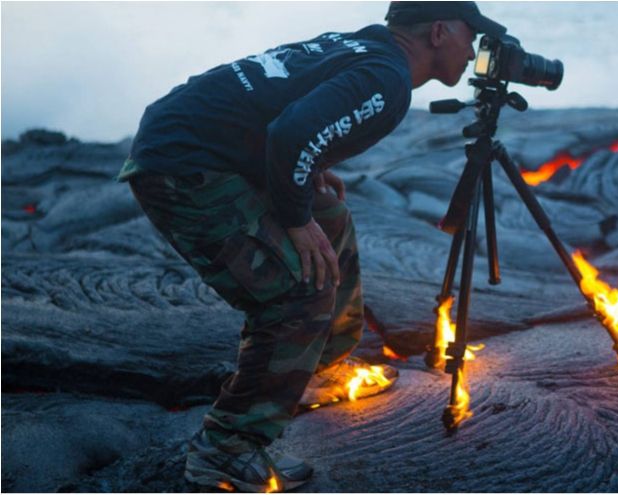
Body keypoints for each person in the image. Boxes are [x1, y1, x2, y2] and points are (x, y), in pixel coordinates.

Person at [116, 1, 506, 492]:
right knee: (295, 293)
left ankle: (322, 367)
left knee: (330, 218)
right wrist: (295, 218)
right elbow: (289, 132)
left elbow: (284, 105)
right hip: (183, 165)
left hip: (195, 139)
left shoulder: (364, 45)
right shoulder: (387, 79)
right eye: (471, 36)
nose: (473, 52)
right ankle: (226, 451)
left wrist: (310, 171)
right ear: (438, 32)